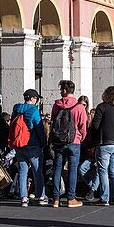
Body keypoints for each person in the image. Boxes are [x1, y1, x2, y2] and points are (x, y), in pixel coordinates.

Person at [50, 79, 88, 208]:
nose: (60, 92)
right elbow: (83, 125)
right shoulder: (79, 107)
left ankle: (55, 198)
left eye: (61, 90)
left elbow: (53, 122)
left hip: (59, 141)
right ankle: (71, 198)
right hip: (74, 141)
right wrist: (81, 137)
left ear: (64, 91)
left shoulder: (56, 105)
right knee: (72, 169)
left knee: (57, 169)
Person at [89, 85, 114, 206]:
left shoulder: (102, 107)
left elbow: (95, 126)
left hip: (104, 142)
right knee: (113, 171)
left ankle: (104, 198)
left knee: (103, 171)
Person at [11, 89, 47, 206]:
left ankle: (23, 198)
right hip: (33, 144)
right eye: (36, 98)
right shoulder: (34, 110)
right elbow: (39, 128)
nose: (36, 101)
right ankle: (41, 196)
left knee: (22, 171)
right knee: (37, 171)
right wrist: (43, 143)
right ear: (32, 98)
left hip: (19, 145)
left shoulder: (16, 109)